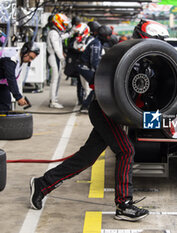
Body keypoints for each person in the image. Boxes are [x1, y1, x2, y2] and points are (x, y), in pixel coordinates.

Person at [29, 21, 164, 222]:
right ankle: (124, 205)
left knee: (86, 158)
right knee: (126, 150)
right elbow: (96, 81)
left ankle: (42, 184)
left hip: (117, 114)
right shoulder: (122, 55)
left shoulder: (148, 64)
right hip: (104, 109)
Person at [0, 42, 40, 111]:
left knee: (5, 104)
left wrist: (19, 96)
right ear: (24, 51)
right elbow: (11, 78)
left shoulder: (20, 58)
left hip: (1, 84)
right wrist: (18, 97)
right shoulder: (11, 58)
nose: (30, 60)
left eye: (32, 59)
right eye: (30, 57)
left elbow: (15, 79)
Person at [47, 13, 71, 109]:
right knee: (55, 80)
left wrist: (69, 34)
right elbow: (56, 48)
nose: (64, 25)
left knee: (57, 80)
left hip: (56, 57)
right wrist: (62, 58)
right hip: (54, 57)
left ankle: (54, 99)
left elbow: (60, 38)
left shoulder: (55, 32)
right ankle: (53, 101)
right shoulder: (53, 33)